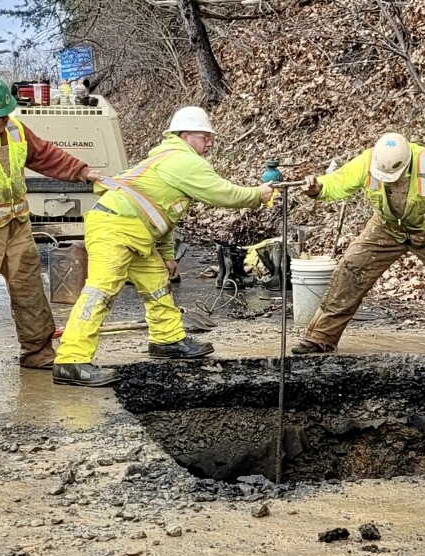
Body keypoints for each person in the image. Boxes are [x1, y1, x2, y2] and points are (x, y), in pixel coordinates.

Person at [52, 106, 274, 387]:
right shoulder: (184, 161)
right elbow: (224, 194)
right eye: (204, 137)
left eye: (210, 138)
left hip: (131, 228)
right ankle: (71, 361)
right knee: (101, 292)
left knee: (157, 281)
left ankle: (166, 340)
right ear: (185, 135)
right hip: (117, 228)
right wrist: (258, 195)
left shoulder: (163, 158)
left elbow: (165, 213)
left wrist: (168, 255)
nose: (209, 144)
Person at [292, 133, 425, 367]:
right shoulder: (367, 161)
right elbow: (336, 183)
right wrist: (316, 188)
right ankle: (320, 337)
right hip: (386, 228)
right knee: (351, 270)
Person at [0, 74, 102, 378]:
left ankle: (37, 351)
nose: (5, 120)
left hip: (16, 226)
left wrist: (82, 171)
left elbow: (45, 154)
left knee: (30, 292)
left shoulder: (14, 129)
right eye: (0, 116)